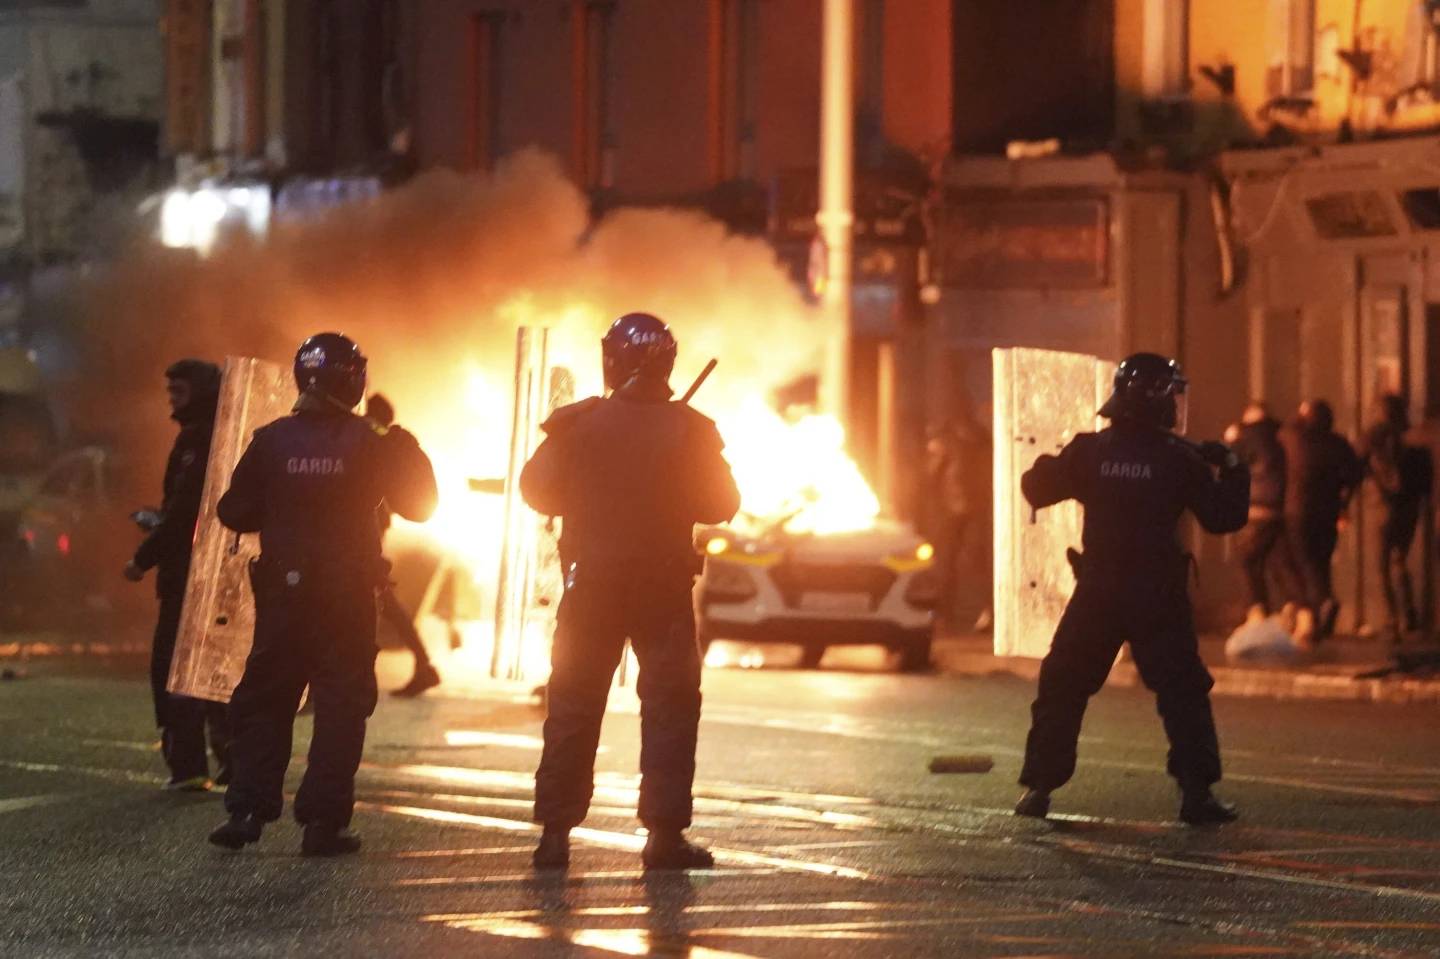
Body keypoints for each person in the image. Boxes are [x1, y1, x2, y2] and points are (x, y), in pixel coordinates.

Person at [520, 313, 740, 871]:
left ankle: (554, 836)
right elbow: (722, 504)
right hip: (661, 590)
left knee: (573, 702)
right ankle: (664, 836)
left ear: (612, 360)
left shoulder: (580, 423)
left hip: (590, 586)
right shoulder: (690, 429)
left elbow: (536, 489)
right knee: (670, 706)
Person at [207, 333, 437, 857]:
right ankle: (322, 824)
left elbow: (233, 512)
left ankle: (246, 811)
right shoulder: (375, 438)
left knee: (266, 700)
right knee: (340, 707)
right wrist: (404, 445)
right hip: (347, 596)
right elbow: (421, 505)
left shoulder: (271, 439)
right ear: (352, 379)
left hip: (284, 596)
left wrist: (284, 505)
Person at [1014, 353, 1248, 825]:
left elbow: (1036, 488)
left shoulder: (1091, 452)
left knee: (1063, 683)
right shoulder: (1180, 460)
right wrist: (1234, 467)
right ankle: (1196, 793)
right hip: (1157, 594)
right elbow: (1224, 518)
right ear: (1160, 399)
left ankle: (1039, 788)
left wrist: (1058, 458)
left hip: (1099, 590)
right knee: (1182, 691)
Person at [123, 359, 231, 791]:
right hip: (212, 575)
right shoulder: (222, 434)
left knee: (175, 668)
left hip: (189, 576)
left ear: (201, 390)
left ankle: (188, 766)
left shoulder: (197, 439)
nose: (171, 397)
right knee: (211, 670)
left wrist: (143, 557)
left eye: (179, 390)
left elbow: (186, 512)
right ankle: (233, 763)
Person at [363, 393, 441, 697]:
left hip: (364, 531)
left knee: (376, 598)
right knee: (387, 602)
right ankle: (425, 665)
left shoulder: (372, 437)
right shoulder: (384, 440)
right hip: (369, 529)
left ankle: (425, 666)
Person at [1281, 399, 1363, 646]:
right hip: (1328, 511)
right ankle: (1319, 616)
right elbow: (1355, 474)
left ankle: (1323, 601)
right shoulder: (1338, 444)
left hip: (1298, 510)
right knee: (1322, 560)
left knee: (1303, 562)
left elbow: (1286, 430)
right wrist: (1343, 503)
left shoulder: (1295, 439)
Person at [1358, 394, 1433, 645]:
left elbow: (1355, 465)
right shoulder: (1414, 439)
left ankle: (1391, 622)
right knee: (1399, 561)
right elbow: (1426, 479)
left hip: (1379, 505)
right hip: (1408, 508)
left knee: (1380, 567)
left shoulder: (1372, 436)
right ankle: (1409, 614)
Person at [1229, 401, 1300, 623]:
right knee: (1279, 561)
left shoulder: (1246, 437)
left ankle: (1257, 611)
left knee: (1246, 561)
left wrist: (1231, 440)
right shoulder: (1282, 436)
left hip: (1256, 510)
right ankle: (1296, 605)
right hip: (1280, 507)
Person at [923, 415, 993, 632]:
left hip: (964, 511)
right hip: (960, 511)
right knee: (951, 563)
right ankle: (945, 615)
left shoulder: (960, 448)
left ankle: (951, 615)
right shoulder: (972, 446)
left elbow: (931, 480)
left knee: (964, 563)